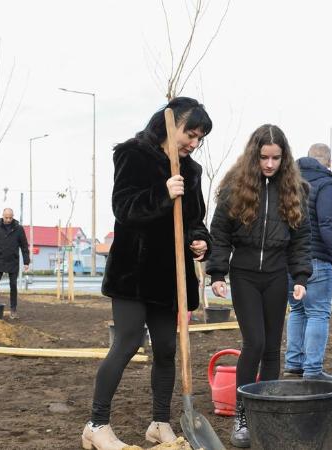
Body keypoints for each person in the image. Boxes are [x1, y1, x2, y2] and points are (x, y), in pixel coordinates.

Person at [81, 97, 213, 450]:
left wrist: (200, 241)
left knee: (167, 349)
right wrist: (162, 193)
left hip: (170, 276)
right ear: (172, 123)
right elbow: (123, 209)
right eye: (191, 133)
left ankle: (159, 423)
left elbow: (195, 219)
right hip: (133, 272)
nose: (194, 143)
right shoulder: (132, 154)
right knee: (126, 343)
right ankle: (96, 424)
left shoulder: (193, 171)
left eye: (200, 138)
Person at [207, 124, 312, 448]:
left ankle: (267, 414)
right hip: (245, 274)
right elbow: (220, 233)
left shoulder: (295, 190)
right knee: (254, 342)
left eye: (275, 158)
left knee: (271, 348)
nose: (269, 164)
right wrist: (218, 273)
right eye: (264, 157)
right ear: (255, 156)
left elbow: (301, 238)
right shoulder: (234, 188)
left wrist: (300, 276)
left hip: (277, 275)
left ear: (284, 157)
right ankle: (243, 414)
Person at [283, 143, 332, 381]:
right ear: (327, 162)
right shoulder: (326, 183)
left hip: (289, 260)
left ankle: (293, 365)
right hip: (316, 258)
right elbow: (328, 222)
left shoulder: (288, 182)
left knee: (297, 310)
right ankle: (313, 370)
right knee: (318, 313)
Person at [0, 208, 30, 319]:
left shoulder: (19, 229)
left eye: (10, 217)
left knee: (13, 285)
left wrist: (26, 262)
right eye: (6, 217)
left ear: (13, 216)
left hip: (13, 261)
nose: (8, 219)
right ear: (2, 215)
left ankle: (13, 309)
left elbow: (24, 246)